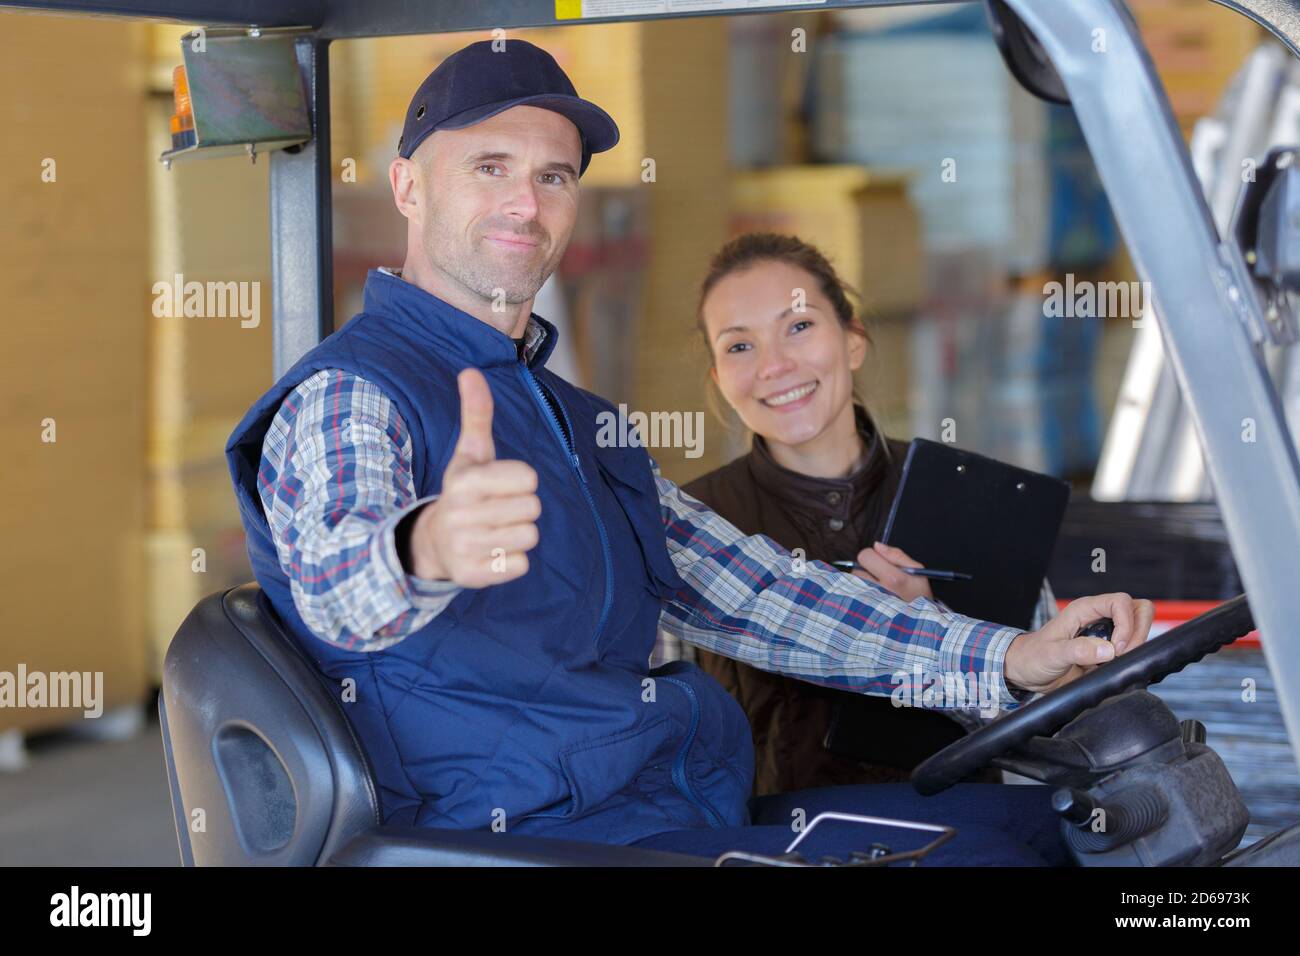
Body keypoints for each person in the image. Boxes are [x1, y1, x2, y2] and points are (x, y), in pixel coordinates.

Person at [225, 38, 1155, 865]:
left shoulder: (572, 417)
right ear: (408, 186)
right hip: (532, 836)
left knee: (1059, 829)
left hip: (666, 806)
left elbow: (757, 593)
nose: (525, 201)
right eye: (489, 166)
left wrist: (1005, 659)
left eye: (554, 177)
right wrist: (424, 549)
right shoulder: (350, 391)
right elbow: (338, 579)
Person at [657, 232, 1056, 796]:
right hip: (773, 851)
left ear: (853, 340)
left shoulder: (975, 497)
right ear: (719, 379)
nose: (773, 365)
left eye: (798, 326)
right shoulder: (690, 526)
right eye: (739, 347)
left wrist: (934, 620)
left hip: (963, 838)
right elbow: (665, 734)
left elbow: (1054, 728)